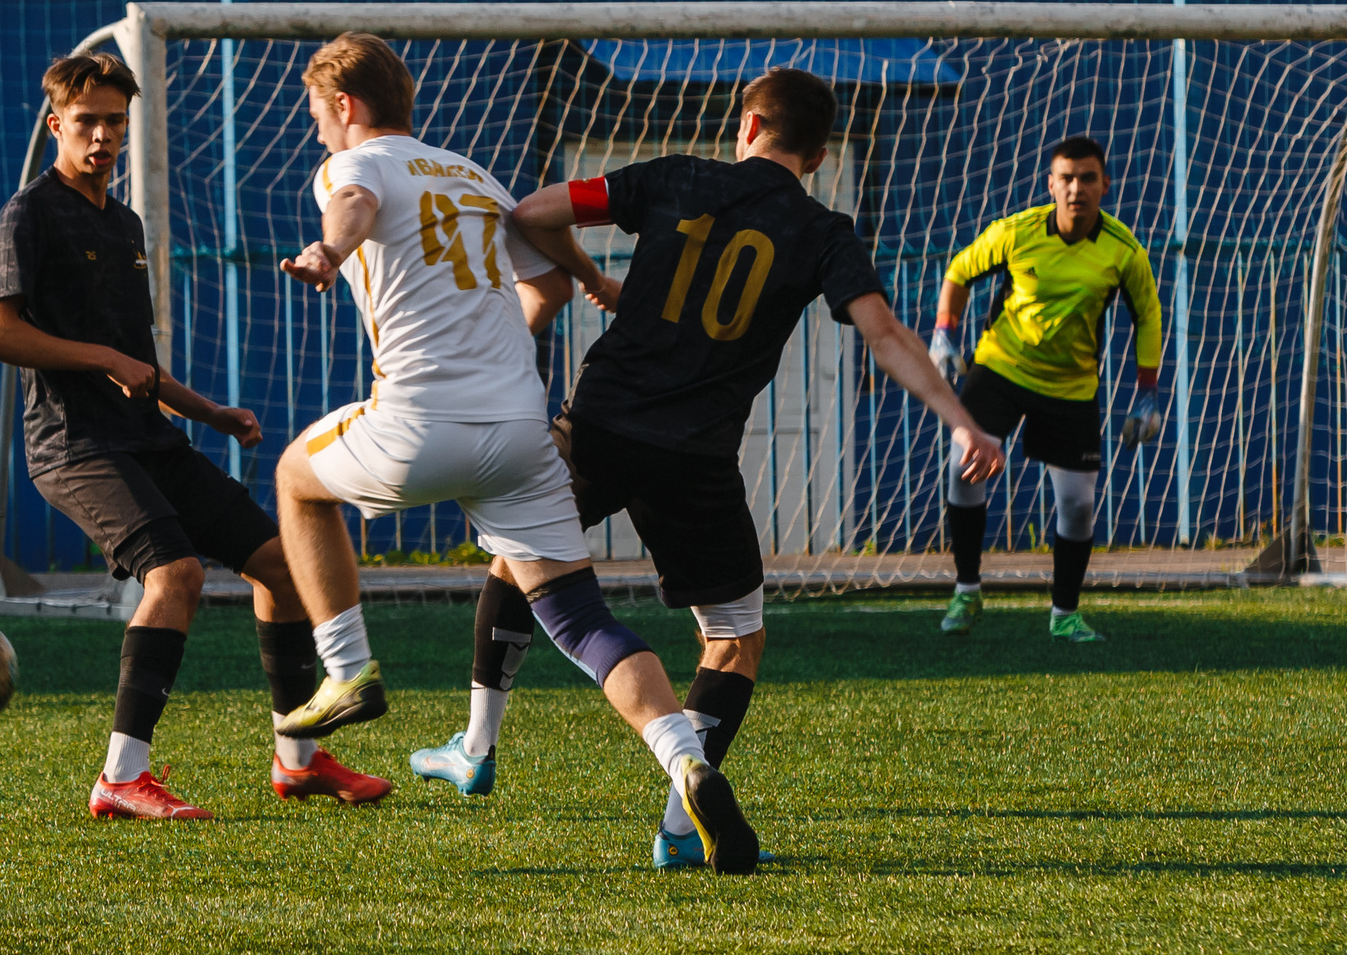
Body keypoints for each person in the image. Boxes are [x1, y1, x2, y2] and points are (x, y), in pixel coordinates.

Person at [406, 67, 1009, 869]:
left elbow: (533, 212)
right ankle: (680, 829)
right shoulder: (825, 230)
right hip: (696, 459)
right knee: (732, 639)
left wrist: (591, 279)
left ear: (749, 125)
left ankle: (478, 744)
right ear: (820, 153)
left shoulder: (676, 176)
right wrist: (963, 419)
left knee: (520, 554)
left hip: (598, 425)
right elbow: (885, 334)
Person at [266, 33, 764, 874]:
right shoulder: (473, 175)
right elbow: (550, 282)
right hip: (522, 434)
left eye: (320, 115)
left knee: (293, 478)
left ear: (345, 107)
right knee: (581, 619)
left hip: (416, 427)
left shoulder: (357, 167)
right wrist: (582, 289)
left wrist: (330, 250)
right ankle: (686, 759)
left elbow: (349, 200)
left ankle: (347, 668)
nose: (321, 131)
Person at [0, 51, 391, 821]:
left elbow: (138, 363)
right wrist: (101, 358)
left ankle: (297, 761)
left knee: (280, 564)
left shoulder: (123, 221)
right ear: (55, 124)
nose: (101, 135)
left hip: (149, 437)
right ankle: (120, 777)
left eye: (113, 122)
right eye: (87, 121)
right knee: (176, 575)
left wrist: (214, 414)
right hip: (75, 446)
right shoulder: (27, 213)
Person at [925, 135, 1166, 641]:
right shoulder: (1016, 232)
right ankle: (967, 592)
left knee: (1078, 506)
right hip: (1000, 368)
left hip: (1071, 386)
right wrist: (946, 333)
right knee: (961, 471)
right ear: (1051, 184)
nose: (1077, 188)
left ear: (1105, 185)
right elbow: (959, 272)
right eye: (1067, 178)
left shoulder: (1124, 251)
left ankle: (1065, 616)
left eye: (1088, 178)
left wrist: (1148, 394)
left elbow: (1147, 315)